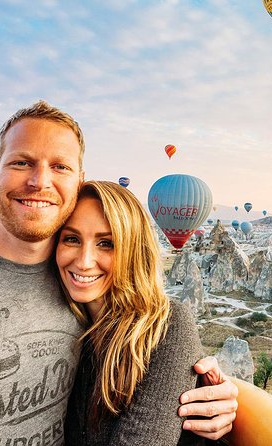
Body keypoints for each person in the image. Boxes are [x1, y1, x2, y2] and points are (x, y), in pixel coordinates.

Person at [0, 100, 237, 445]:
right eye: (21, 162)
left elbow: (145, 339)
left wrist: (214, 391)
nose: (39, 181)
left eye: (59, 166)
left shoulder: (87, 295)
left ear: (78, 182)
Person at [58, 180, 204, 445]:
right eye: (71, 239)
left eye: (106, 243)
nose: (84, 261)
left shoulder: (167, 325)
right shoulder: (64, 323)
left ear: (133, 250)